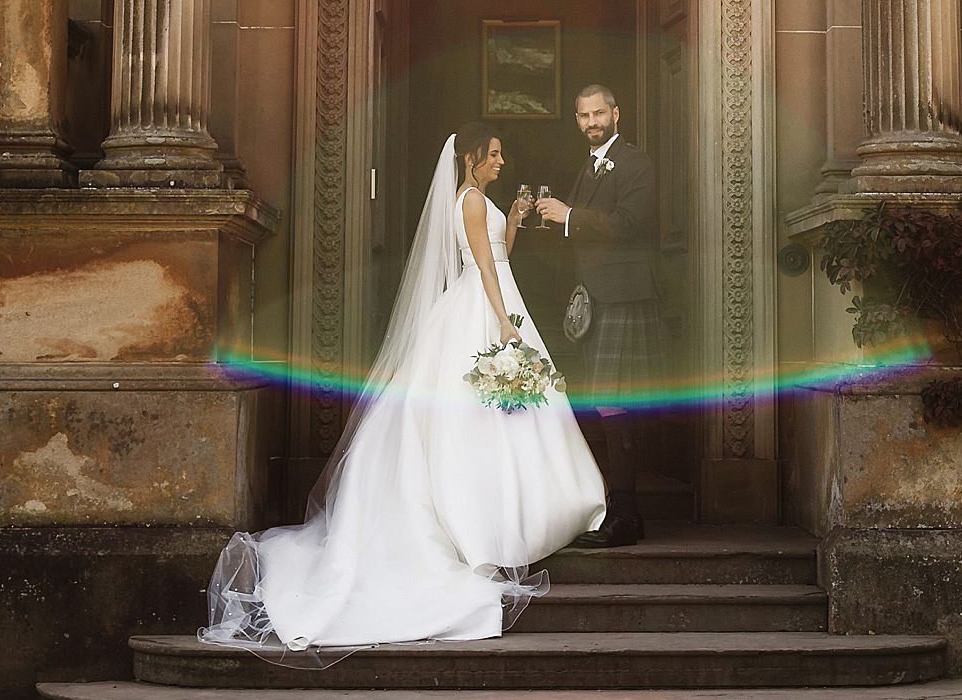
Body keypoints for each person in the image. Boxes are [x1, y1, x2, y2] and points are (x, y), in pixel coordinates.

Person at [201, 125, 607, 656]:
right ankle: (494, 517)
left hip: (496, 292)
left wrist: (519, 222)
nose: (502, 162)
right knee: (486, 409)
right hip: (488, 303)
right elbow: (483, 265)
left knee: (509, 407)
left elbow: (500, 253)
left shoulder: (479, 201)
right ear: (471, 159)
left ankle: (525, 506)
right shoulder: (471, 201)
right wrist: (504, 322)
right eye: (496, 155)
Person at [534, 82, 659, 547]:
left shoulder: (634, 162)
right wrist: (551, 223)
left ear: (616, 113)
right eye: (584, 116)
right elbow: (586, 229)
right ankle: (617, 509)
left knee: (616, 406)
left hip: (625, 296)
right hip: (598, 297)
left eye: (599, 114)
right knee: (607, 405)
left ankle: (626, 515)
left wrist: (569, 216)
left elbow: (630, 224)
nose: (592, 122)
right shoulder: (588, 166)